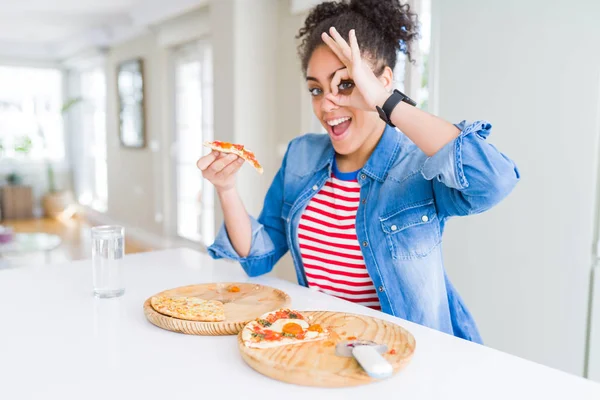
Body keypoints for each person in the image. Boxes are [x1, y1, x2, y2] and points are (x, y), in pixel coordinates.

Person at [197, 0, 520, 343]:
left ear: (381, 83)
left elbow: (494, 181)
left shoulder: (417, 165)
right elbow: (257, 258)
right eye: (316, 89)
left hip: (412, 356)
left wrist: (387, 102)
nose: (326, 104)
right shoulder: (301, 156)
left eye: (347, 84)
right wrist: (227, 189)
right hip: (324, 350)